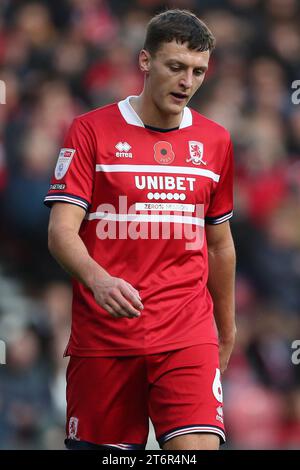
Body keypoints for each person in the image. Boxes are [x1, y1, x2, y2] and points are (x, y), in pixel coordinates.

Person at [44, 9, 236, 451]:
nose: (187, 81)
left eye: (198, 71)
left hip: (187, 331)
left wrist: (225, 328)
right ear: (145, 62)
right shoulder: (89, 130)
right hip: (106, 336)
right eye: (176, 67)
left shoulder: (216, 142)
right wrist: (98, 279)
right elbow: (61, 231)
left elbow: (220, 244)